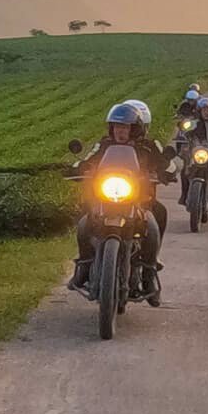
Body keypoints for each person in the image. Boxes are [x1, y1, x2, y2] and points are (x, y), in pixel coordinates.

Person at [68, 100, 175, 295]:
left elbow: (168, 164)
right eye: (117, 126)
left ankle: (148, 274)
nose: (120, 131)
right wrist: (79, 167)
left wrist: (166, 172)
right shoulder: (103, 144)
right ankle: (84, 266)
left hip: (139, 201)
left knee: (154, 221)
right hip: (105, 199)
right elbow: (88, 159)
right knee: (84, 223)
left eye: (125, 127)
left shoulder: (150, 146)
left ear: (135, 129)